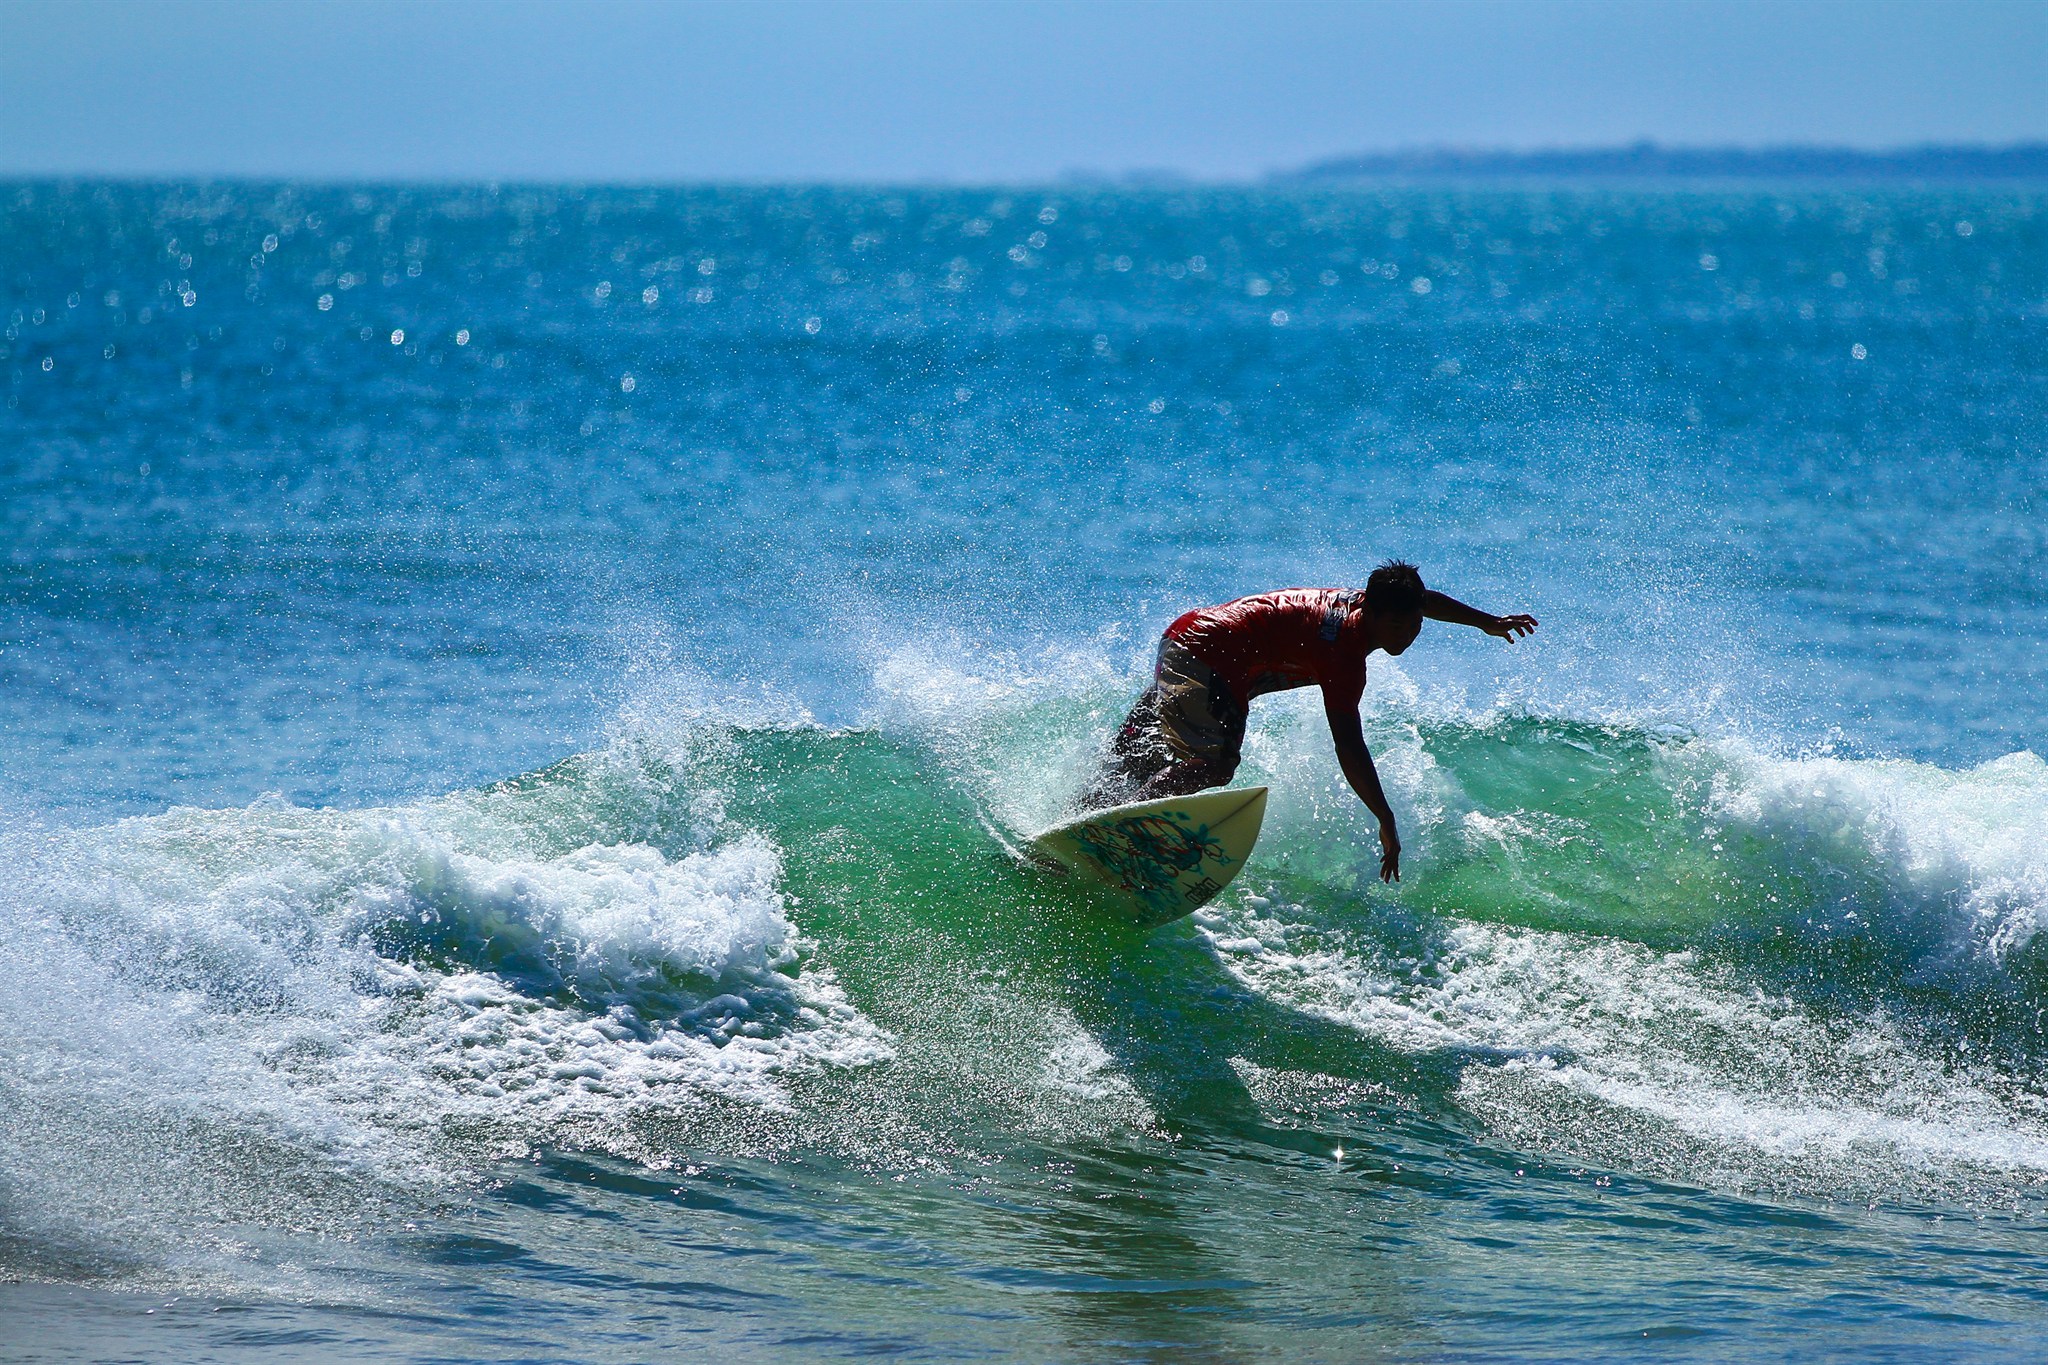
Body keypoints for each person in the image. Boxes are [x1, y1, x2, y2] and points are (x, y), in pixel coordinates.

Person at [1080, 562, 1537, 883]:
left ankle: (1084, 817)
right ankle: (1120, 833)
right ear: (1370, 612)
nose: (1407, 635)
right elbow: (1348, 745)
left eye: (1413, 624)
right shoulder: (1342, 653)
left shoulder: (1373, 604)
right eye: (1396, 627)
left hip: (1194, 643)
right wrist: (1385, 817)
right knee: (1214, 765)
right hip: (1205, 657)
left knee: (1151, 758)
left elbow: (1421, 601)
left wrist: (1486, 622)